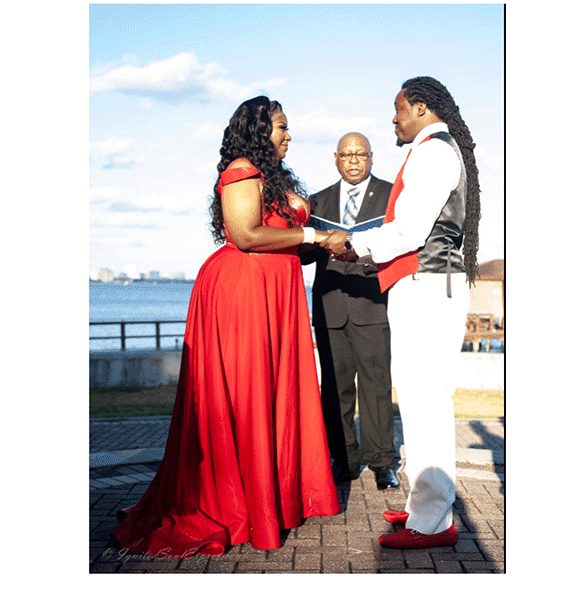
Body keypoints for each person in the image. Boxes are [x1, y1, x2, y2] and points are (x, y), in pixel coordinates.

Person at [111, 96, 340, 558]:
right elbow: (245, 234)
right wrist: (315, 234)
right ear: (259, 131)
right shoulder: (240, 169)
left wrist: (332, 245)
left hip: (275, 293)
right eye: (281, 128)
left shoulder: (276, 177)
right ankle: (238, 503)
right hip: (242, 294)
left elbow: (283, 240)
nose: (289, 136)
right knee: (245, 394)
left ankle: (269, 498)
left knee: (273, 395)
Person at [320, 77, 481, 549]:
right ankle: (424, 508)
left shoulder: (432, 152)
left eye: (398, 109)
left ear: (421, 107)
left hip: (427, 286)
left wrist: (352, 242)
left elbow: (409, 230)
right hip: (424, 285)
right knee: (417, 399)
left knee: (425, 401)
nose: (394, 119)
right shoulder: (433, 149)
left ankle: (432, 523)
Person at [300, 132, 399, 491]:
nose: (354, 160)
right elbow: (304, 254)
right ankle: (343, 459)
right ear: (336, 159)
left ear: (372, 158)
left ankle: (382, 462)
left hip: (372, 302)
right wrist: (318, 240)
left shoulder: (391, 196)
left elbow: (401, 243)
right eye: (346, 154)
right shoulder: (318, 201)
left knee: (376, 386)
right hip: (329, 307)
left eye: (361, 154)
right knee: (336, 388)